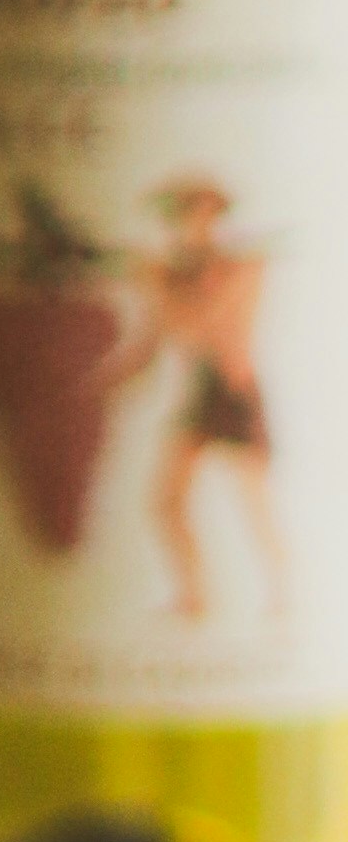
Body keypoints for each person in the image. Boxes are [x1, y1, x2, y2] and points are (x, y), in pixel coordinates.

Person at [122, 175, 289, 626]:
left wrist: (155, 288)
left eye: (197, 212)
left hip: (233, 391)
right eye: (179, 214)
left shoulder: (239, 269)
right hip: (199, 392)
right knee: (168, 501)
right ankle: (194, 597)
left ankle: (286, 597)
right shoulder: (179, 273)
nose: (188, 223)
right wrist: (101, 382)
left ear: (214, 215)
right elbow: (151, 344)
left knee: (255, 500)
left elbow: (199, 326)